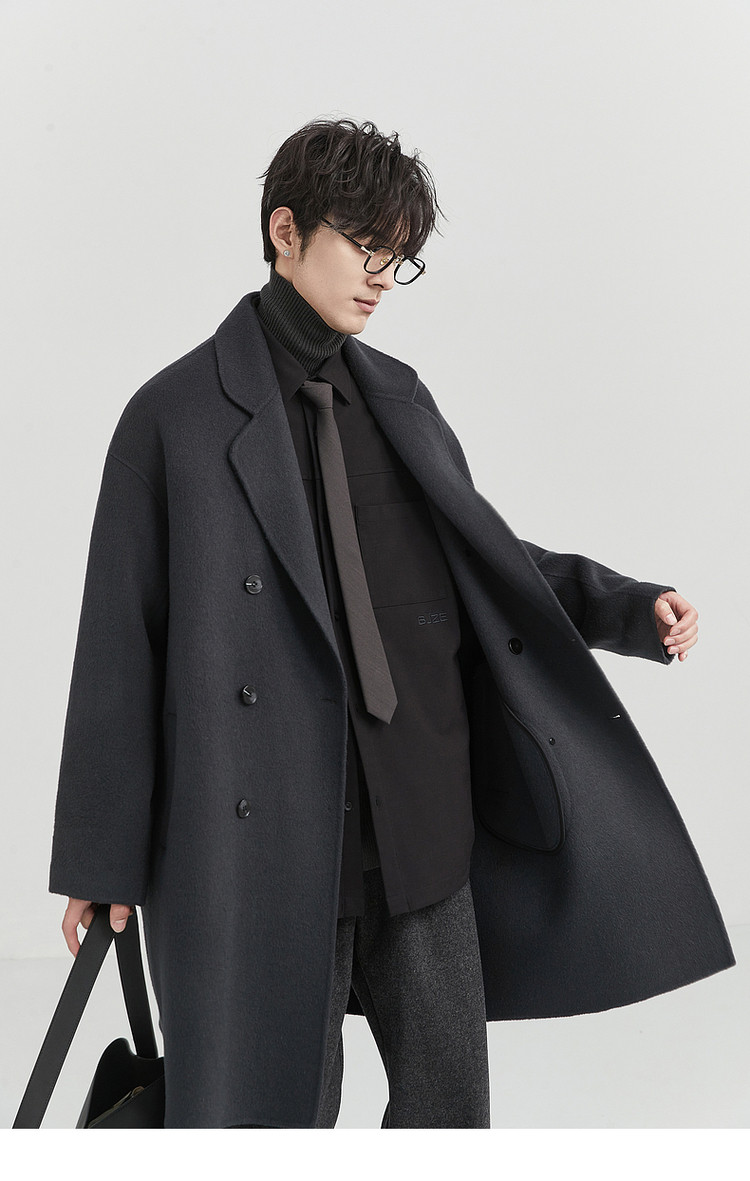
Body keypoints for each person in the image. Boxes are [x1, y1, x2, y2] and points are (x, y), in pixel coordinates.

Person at [49, 117, 734, 1129]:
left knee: (449, 1109)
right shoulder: (175, 418)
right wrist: (100, 857)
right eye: (364, 246)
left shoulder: (400, 400)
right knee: (276, 1117)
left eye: (397, 257)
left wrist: (624, 604)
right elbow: (119, 645)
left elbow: (480, 563)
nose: (381, 277)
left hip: (419, 821)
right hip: (266, 834)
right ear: (285, 231)